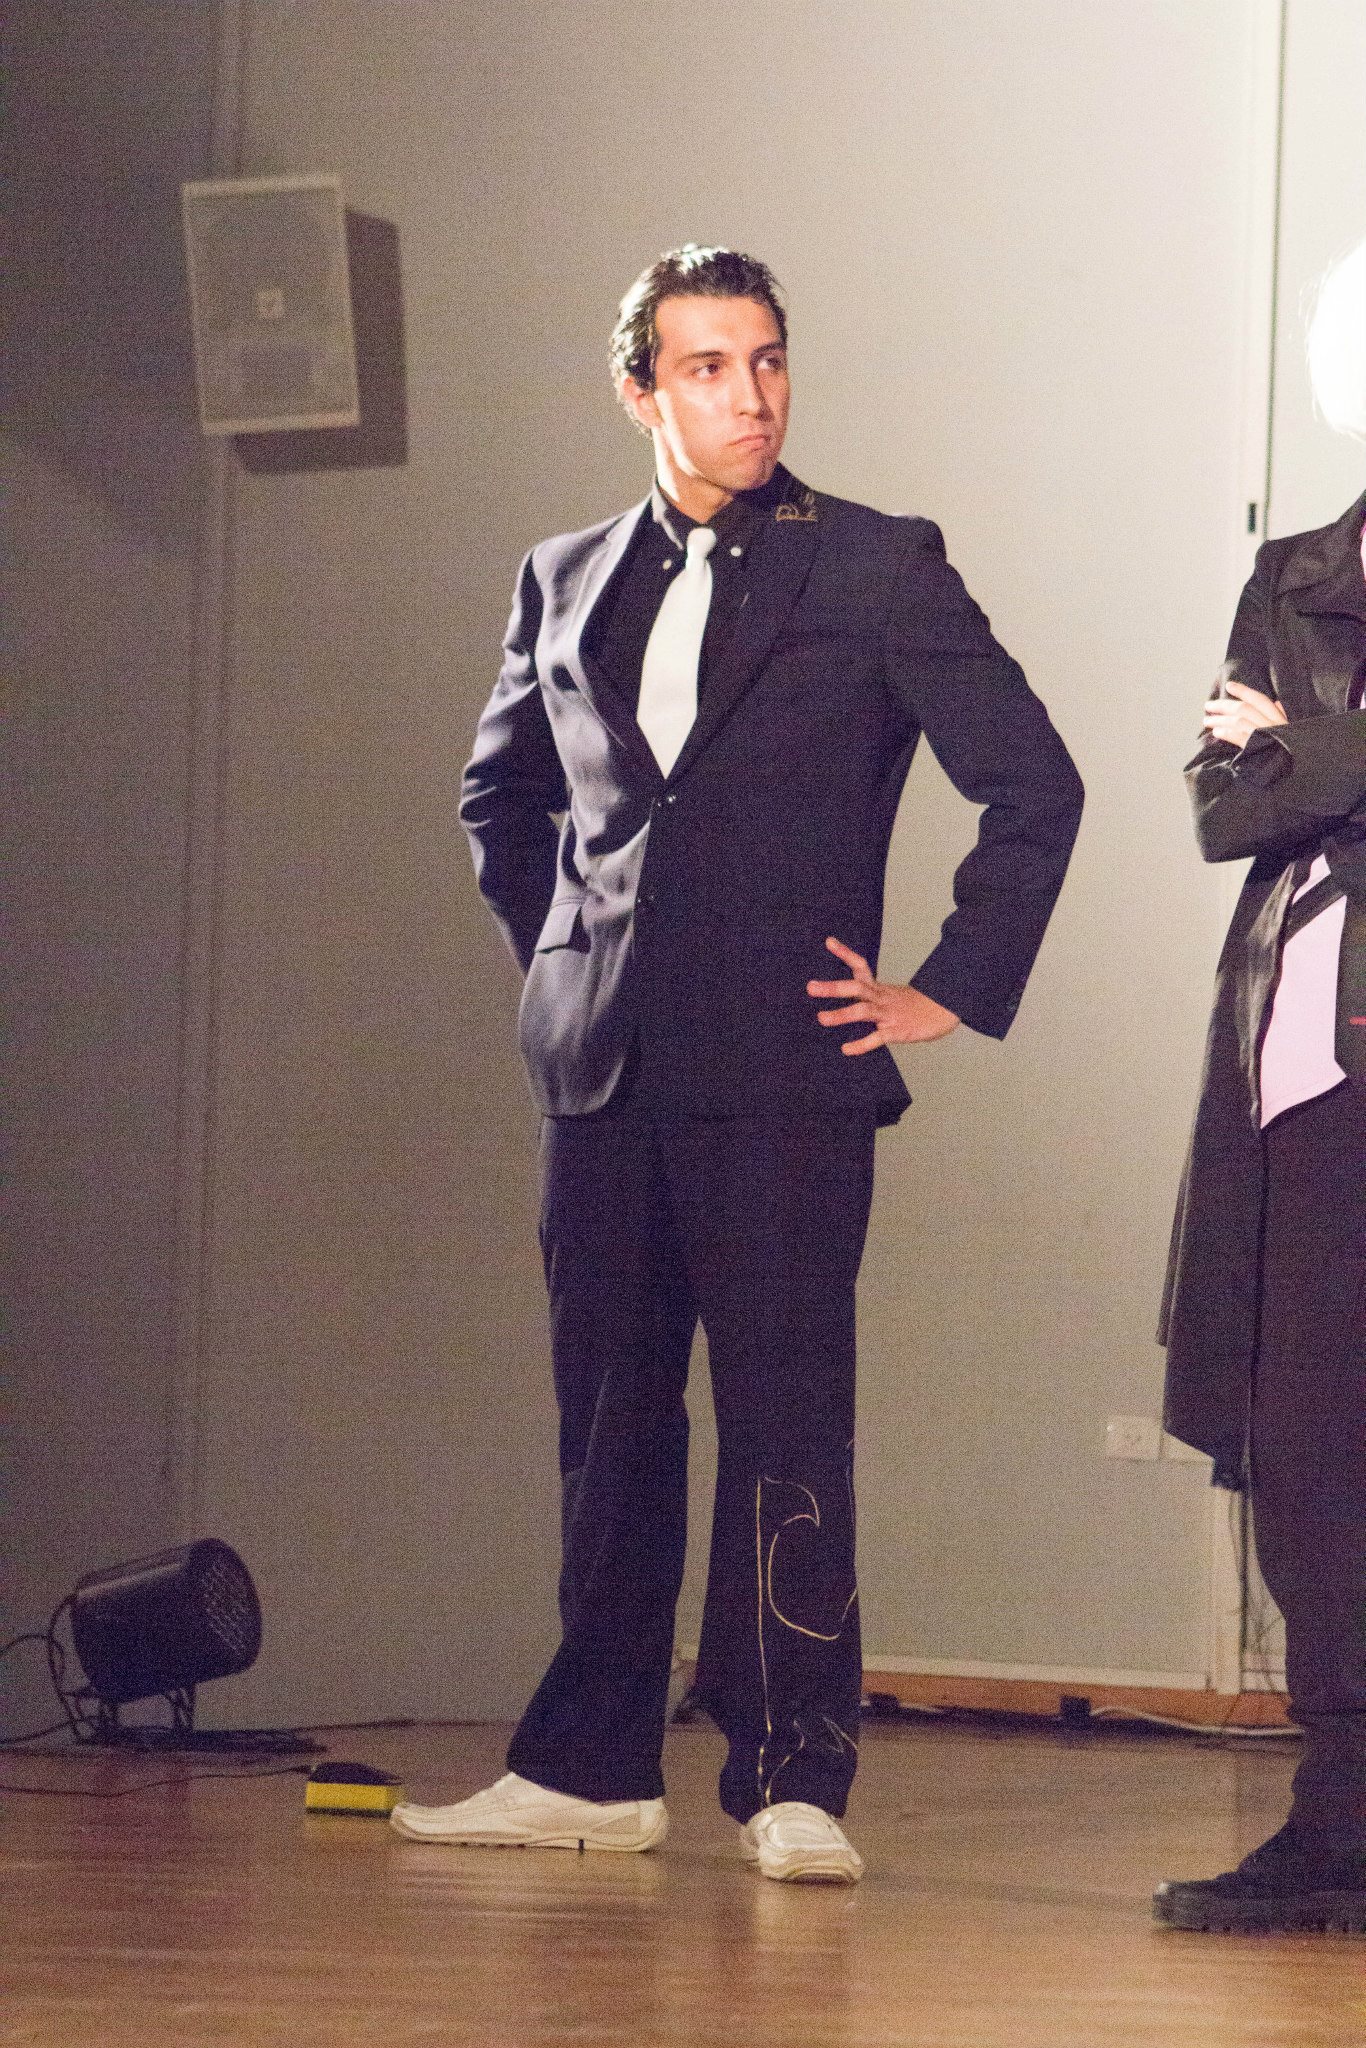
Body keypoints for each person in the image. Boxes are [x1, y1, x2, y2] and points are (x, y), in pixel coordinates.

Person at [391, 244, 1083, 1883]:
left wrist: (949, 988)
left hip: (784, 1074)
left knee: (786, 1425)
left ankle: (790, 1779)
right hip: (602, 1076)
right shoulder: (562, 577)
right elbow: (501, 803)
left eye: (766, 359)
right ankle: (585, 1770)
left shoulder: (876, 564)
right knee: (609, 1428)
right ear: (641, 391)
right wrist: (569, 965)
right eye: (708, 367)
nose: (750, 395)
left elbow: (1032, 784)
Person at [1154, 293, 1365, 1929]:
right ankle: (1339, 1827)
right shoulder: (1293, 571)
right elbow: (1222, 803)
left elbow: (1274, 766)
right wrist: (1310, 758)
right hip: (1298, 1068)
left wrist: (1307, 746)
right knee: (1307, 1463)